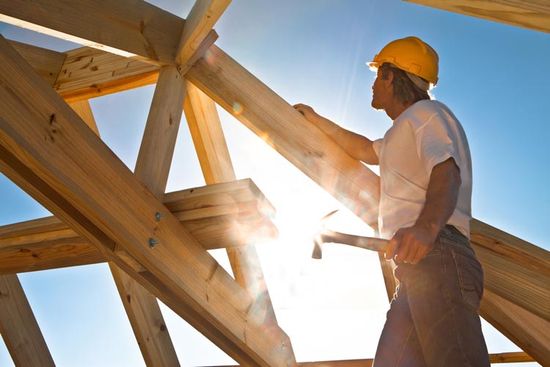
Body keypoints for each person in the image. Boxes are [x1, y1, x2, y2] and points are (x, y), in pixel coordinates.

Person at [294, 36, 489, 367]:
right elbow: (362, 149)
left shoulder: (427, 114)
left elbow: (447, 170)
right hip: (416, 268)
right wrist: (314, 119)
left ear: (390, 75)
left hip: (439, 255)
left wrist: (426, 229)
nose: (372, 85)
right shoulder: (403, 131)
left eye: (377, 75)